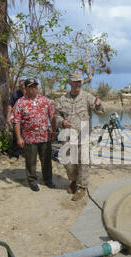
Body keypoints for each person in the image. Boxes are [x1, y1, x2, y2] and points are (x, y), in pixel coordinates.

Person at [55, 71, 105, 201]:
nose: (78, 84)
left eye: (79, 81)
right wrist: (62, 122)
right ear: (70, 82)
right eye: (75, 81)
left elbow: (100, 111)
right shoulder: (62, 99)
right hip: (67, 136)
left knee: (83, 162)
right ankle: (73, 181)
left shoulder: (87, 97)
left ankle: (82, 187)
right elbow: (56, 115)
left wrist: (99, 105)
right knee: (68, 162)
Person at [12, 79, 56, 192]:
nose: (33, 89)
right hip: (29, 138)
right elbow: (16, 121)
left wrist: (54, 131)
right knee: (30, 162)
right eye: (31, 87)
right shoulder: (20, 102)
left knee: (46, 160)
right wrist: (19, 138)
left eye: (35, 87)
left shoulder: (45, 100)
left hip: (45, 136)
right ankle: (32, 181)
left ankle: (48, 179)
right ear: (25, 89)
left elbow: (52, 116)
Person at [6, 79, 26, 163]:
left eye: (24, 85)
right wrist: (8, 117)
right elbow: (10, 105)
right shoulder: (15, 94)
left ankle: (27, 154)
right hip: (17, 117)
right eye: (21, 86)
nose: (23, 87)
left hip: (28, 118)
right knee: (16, 136)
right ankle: (15, 154)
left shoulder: (31, 93)